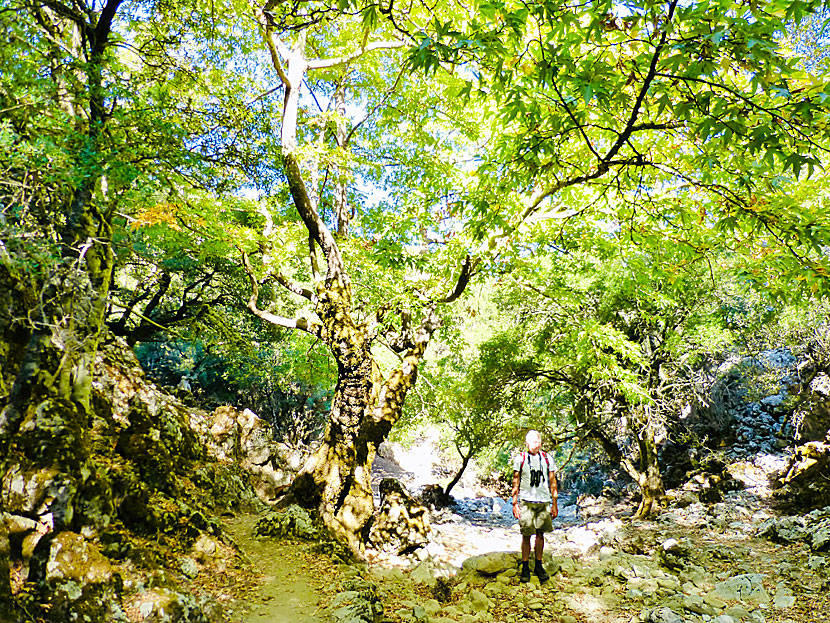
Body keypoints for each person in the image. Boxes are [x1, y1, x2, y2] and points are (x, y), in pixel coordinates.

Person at [512, 429, 558, 583]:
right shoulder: (520, 459)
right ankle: (525, 566)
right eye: (532, 442)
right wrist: (514, 504)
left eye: (537, 441)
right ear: (527, 443)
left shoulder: (547, 458)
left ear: (540, 442)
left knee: (540, 534)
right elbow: (515, 482)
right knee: (526, 535)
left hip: (543, 501)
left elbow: (552, 481)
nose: (535, 445)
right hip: (526, 501)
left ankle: (538, 564)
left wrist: (554, 503)